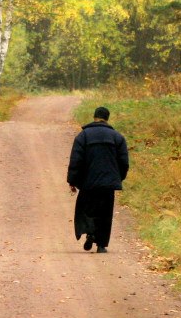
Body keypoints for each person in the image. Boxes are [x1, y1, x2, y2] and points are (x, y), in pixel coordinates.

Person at [67, 105, 129, 253]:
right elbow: (124, 163)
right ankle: (101, 245)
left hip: (88, 183)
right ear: (107, 119)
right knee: (105, 213)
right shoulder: (117, 137)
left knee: (87, 210)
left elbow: (76, 160)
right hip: (108, 184)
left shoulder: (83, 136)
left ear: (94, 117)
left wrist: (73, 180)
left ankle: (90, 232)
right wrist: (118, 178)